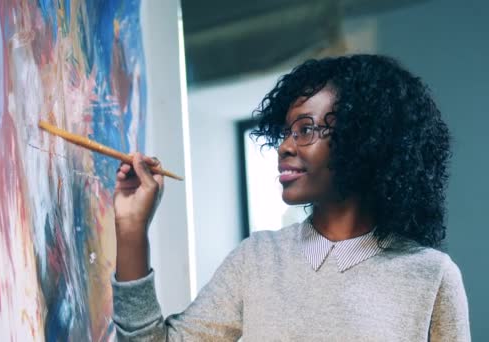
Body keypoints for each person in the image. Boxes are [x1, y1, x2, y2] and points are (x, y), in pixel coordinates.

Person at [110, 54, 470, 341]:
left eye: (306, 130)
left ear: (365, 139)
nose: (283, 146)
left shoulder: (431, 276)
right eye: (286, 132)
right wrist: (131, 229)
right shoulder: (257, 259)